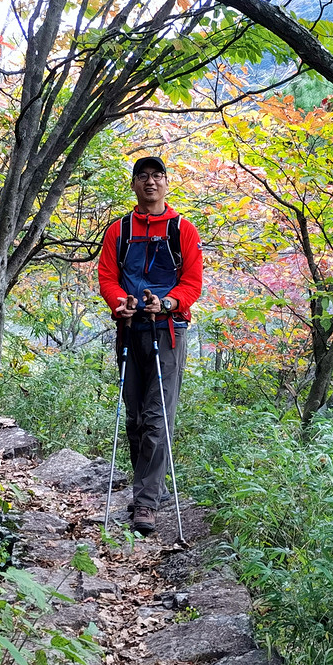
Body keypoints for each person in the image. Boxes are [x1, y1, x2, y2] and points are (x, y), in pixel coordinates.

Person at [98, 156, 203, 534]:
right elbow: (108, 276)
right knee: (135, 421)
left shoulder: (182, 229)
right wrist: (119, 302)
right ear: (134, 185)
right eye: (142, 177)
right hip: (129, 329)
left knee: (158, 419)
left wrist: (170, 302)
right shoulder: (119, 231)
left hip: (167, 331)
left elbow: (193, 282)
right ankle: (149, 489)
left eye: (157, 176)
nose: (150, 183)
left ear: (165, 183)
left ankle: (145, 503)